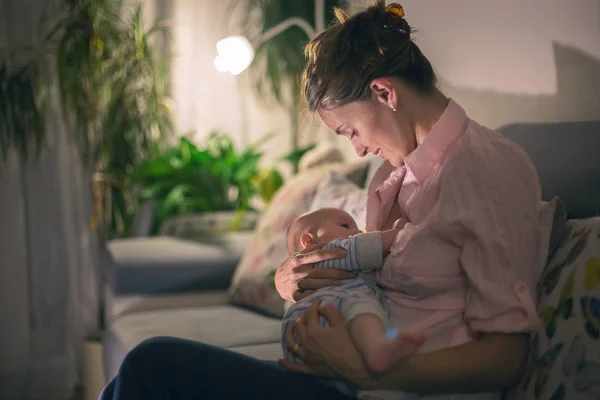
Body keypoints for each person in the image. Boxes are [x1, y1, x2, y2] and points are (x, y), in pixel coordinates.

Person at [99, 2, 545, 399]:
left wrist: (367, 373)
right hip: (337, 378)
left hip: (384, 386)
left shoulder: (486, 169)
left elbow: (507, 358)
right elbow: (359, 264)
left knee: (152, 365)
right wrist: (289, 281)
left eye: (350, 130)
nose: (357, 149)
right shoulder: (395, 175)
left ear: (385, 92)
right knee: (128, 382)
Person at [282, 208, 424, 398]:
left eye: (356, 227)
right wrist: (399, 228)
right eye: (345, 225)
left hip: (306, 336)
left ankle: (379, 391)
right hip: (320, 316)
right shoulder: (329, 252)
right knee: (364, 306)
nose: (357, 232)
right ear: (309, 241)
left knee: (384, 324)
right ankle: (378, 352)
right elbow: (373, 245)